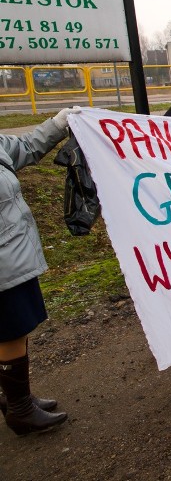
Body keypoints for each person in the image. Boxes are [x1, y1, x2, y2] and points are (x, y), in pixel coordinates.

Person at [1, 108, 78, 435]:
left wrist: (59, 124)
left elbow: (26, 146)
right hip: (3, 263)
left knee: (14, 330)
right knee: (10, 331)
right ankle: (19, 409)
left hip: (11, 254)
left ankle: (17, 397)